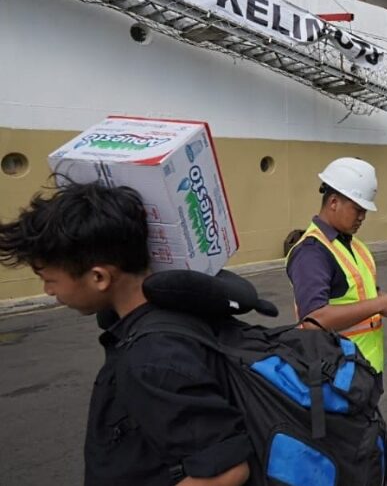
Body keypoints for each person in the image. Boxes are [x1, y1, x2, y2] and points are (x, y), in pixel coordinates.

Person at [0, 182, 252, 485]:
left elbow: (224, 472)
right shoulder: (175, 312)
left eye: (49, 279)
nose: (48, 291)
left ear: (99, 277)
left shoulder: (153, 357)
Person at [286, 157, 387, 375]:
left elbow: (360, 294)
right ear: (333, 202)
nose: (362, 216)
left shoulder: (353, 244)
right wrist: (380, 305)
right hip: (334, 376)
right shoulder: (312, 252)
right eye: (357, 209)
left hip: (361, 374)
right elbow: (314, 321)